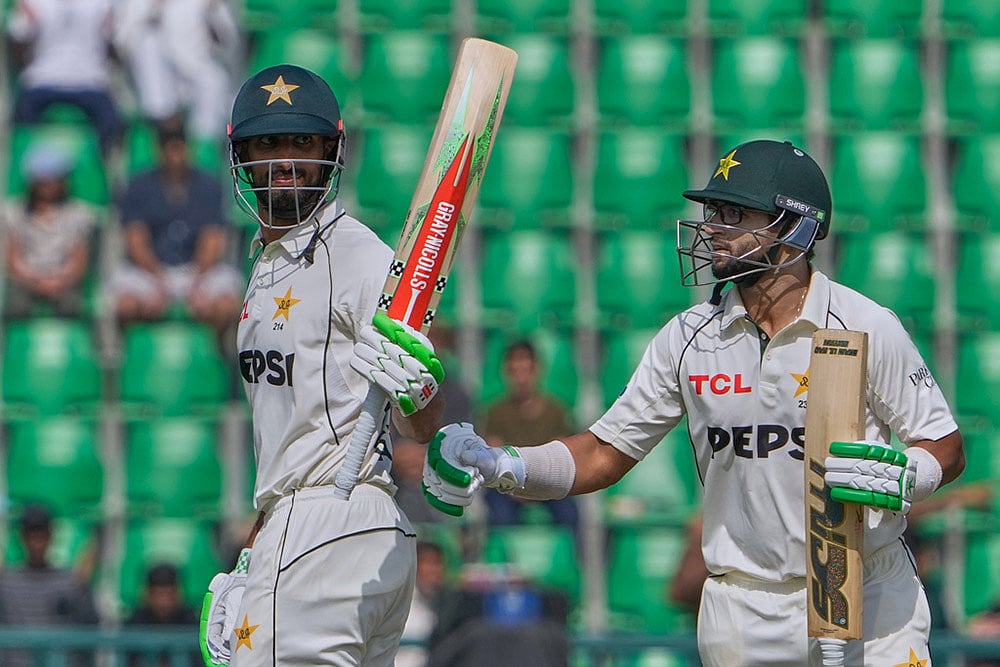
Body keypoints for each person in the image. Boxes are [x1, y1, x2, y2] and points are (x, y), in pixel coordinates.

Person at [423, 139, 966, 666]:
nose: (712, 230)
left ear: (795, 228)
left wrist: (904, 477)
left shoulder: (866, 325)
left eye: (735, 214)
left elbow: (944, 444)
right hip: (742, 604)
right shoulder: (690, 338)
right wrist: (501, 464)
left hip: (867, 588)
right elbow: (602, 453)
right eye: (714, 212)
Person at [199, 64, 446, 667]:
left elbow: (422, 420)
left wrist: (417, 388)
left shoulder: (356, 255)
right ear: (240, 157)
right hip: (317, 527)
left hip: (331, 518)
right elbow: (294, 435)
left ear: (331, 152)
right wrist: (259, 547)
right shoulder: (265, 262)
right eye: (267, 144)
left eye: (301, 143)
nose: (283, 160)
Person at [109, 121, 242, 343]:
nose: (174, 153)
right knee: (126, 305)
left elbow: (212, 239)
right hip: (150, 271)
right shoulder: (139, 185)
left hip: (197, 270)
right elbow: (135, 240)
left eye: (178, 146)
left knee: (226, 304)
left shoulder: (208, 185)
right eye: (168, 147)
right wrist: (158, 280)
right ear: (159, 149)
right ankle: (138, 359)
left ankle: (211, 357)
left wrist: (196, 282)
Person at [481, 340, 578, 532]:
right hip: (507, 488)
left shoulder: (556, 411)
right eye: (515, 372)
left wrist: (537, 489)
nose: (521, 379)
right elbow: (494, 455)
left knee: (571, 514)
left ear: (536, 370)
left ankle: (577, 560)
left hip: (547, 486)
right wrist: (514, 488)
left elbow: (562, 456)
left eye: (525, 371)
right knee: (499, 516)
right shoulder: (495, 412)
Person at [114, 0, 240, 146]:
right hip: (156, 85)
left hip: (197, 71)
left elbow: (226, 41)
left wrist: (213, 13)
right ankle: (161, 132)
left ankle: (204, 148)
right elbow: (122, 41)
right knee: (150, 46)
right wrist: (151, 14)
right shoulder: (140, 3)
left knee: (214, 83)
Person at [6, 0, 122, 157]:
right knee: (22, 126)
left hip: (86, 82)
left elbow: (18, 43)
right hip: (45, 80)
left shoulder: (103, 4)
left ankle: (98, 168)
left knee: (111, 125)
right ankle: (32, 171)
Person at [3, 142, 98, 318]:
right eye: (42, 179)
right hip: (25, 280)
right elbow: (13, 260)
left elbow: (79, 261)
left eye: (55, 178)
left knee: (72, 306)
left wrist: (57, 281)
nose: (48, 184)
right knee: (15, 306)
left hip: (64, 280)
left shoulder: (80, 215)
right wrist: (36, 282)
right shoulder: (13, 213)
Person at [0, 504, 100, 667]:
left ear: (51, 536)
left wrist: (84, 588)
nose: (36, 542)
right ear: (21, 537)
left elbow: (91, 624)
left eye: (42, 535)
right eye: (31, 535)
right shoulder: (5, 582)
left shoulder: (71, 581)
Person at [125, 563, 200, 667]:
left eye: (168, 595)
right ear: (148, 594)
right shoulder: (134, 623)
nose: (163, 603)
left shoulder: (191, 622)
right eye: (158, 595)